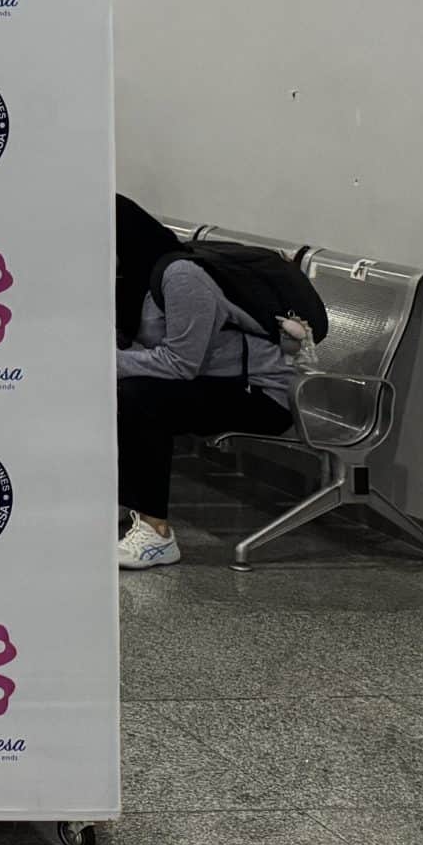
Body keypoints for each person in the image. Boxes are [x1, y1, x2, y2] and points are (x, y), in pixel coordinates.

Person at [113, 194, 298, 571]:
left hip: (259, 395)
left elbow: (181, 364)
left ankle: (156, 532)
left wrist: (102, 363)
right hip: (212, 384)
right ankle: (118, 503)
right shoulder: (132, 278)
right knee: (118, 390)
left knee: (138, 397)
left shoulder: (181, 277)